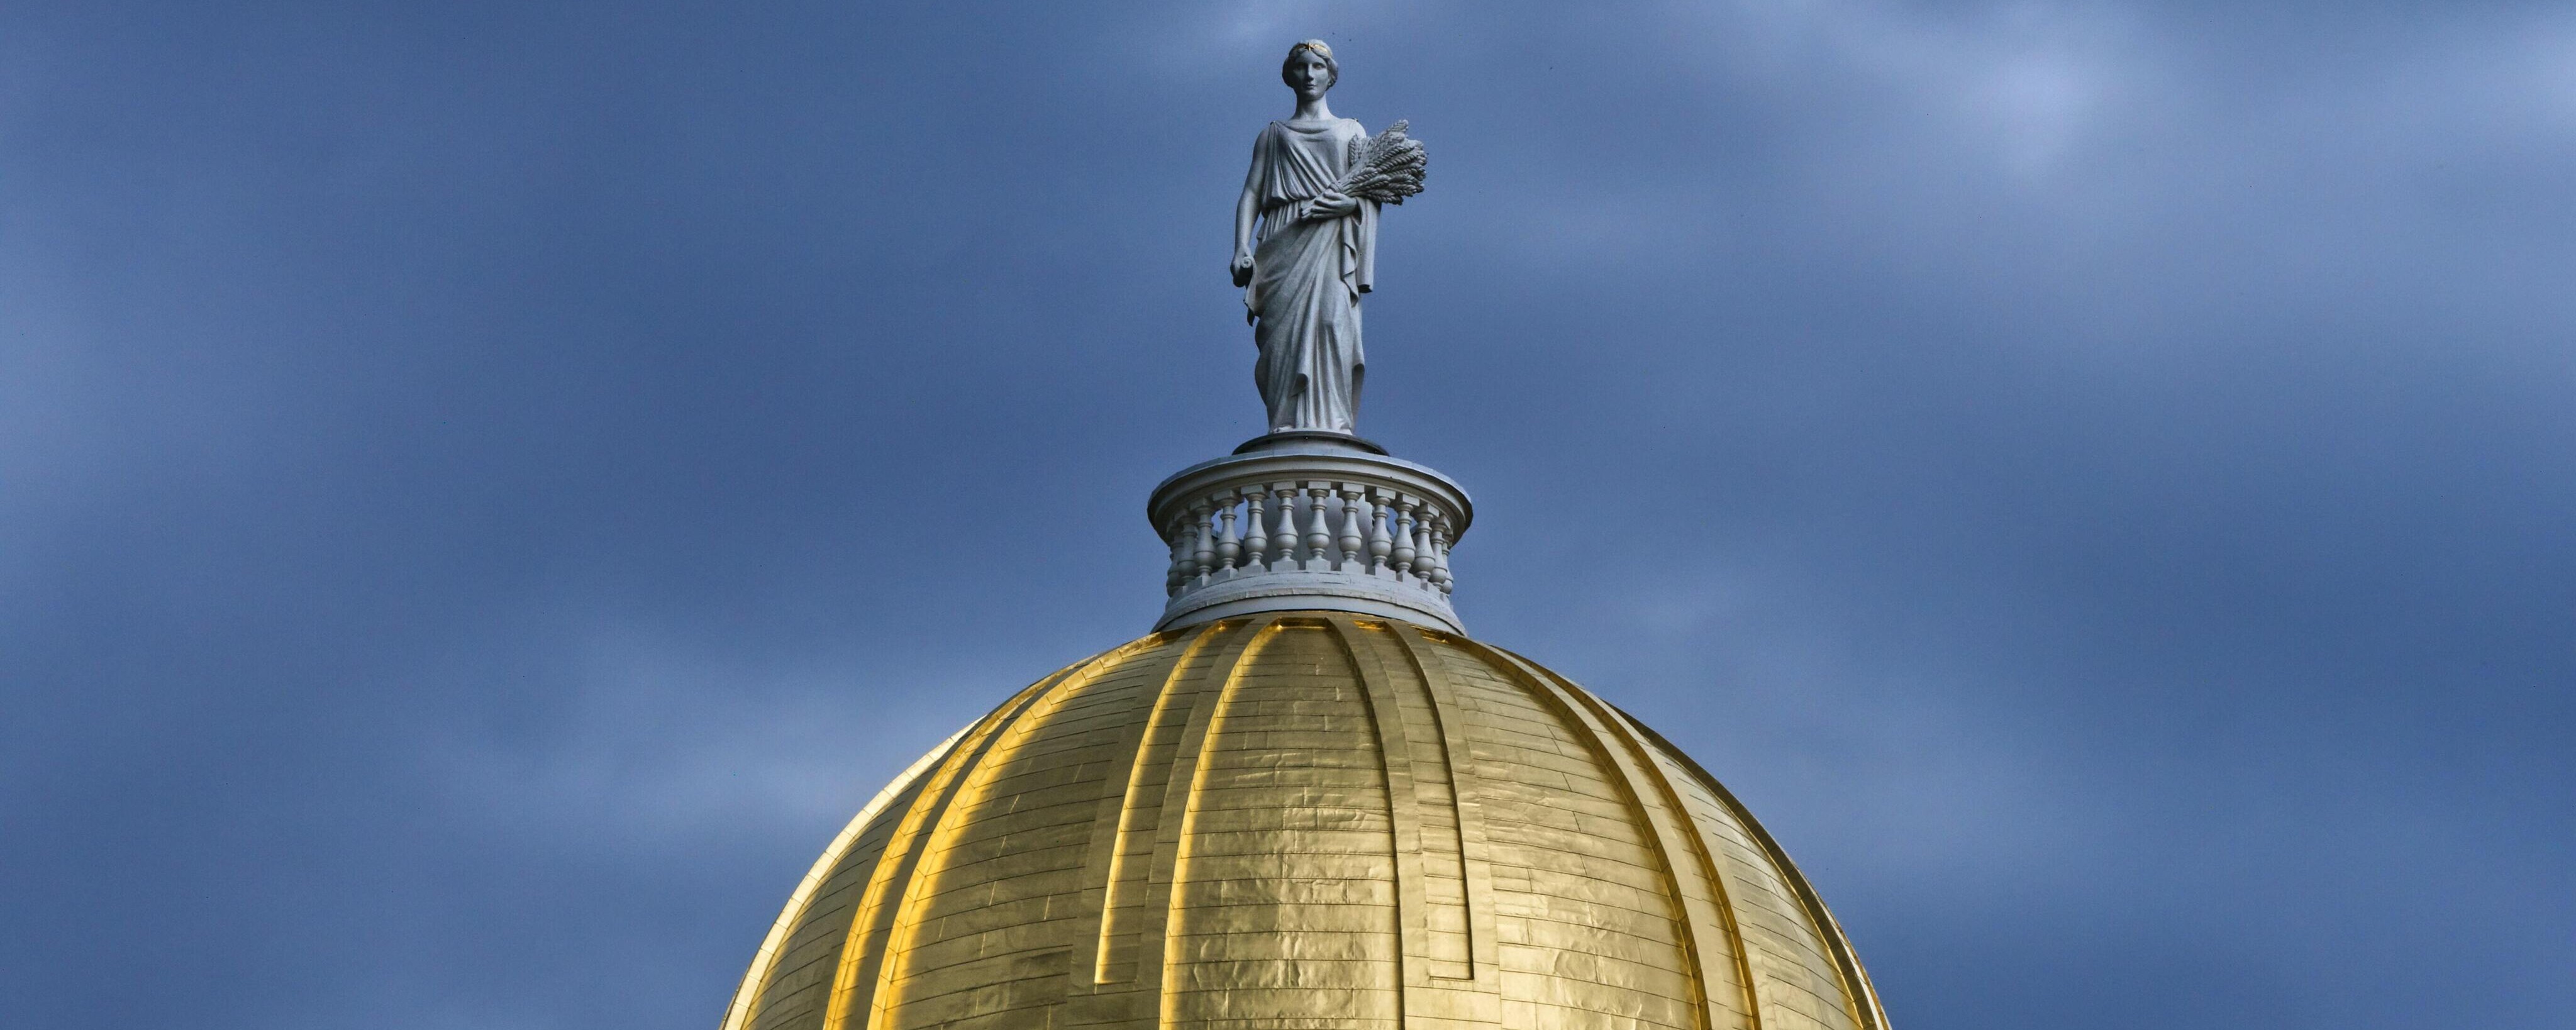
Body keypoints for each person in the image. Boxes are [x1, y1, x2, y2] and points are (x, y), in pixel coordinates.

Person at [1231, 40, 1378, 435]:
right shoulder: (1274, 135)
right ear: (1289, 76)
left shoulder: (1351, 131)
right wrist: (1241, 247)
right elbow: (1251, 194)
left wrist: (1347, 206)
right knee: (1282, 338)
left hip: (1331, 240)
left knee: (1333, 323)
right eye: (1301, 67)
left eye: (1317, 67)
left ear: (1331, 76)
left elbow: (1369, 195)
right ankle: (1286, 423)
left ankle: (1333, 424)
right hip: (1283, 237)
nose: (1309, 75)